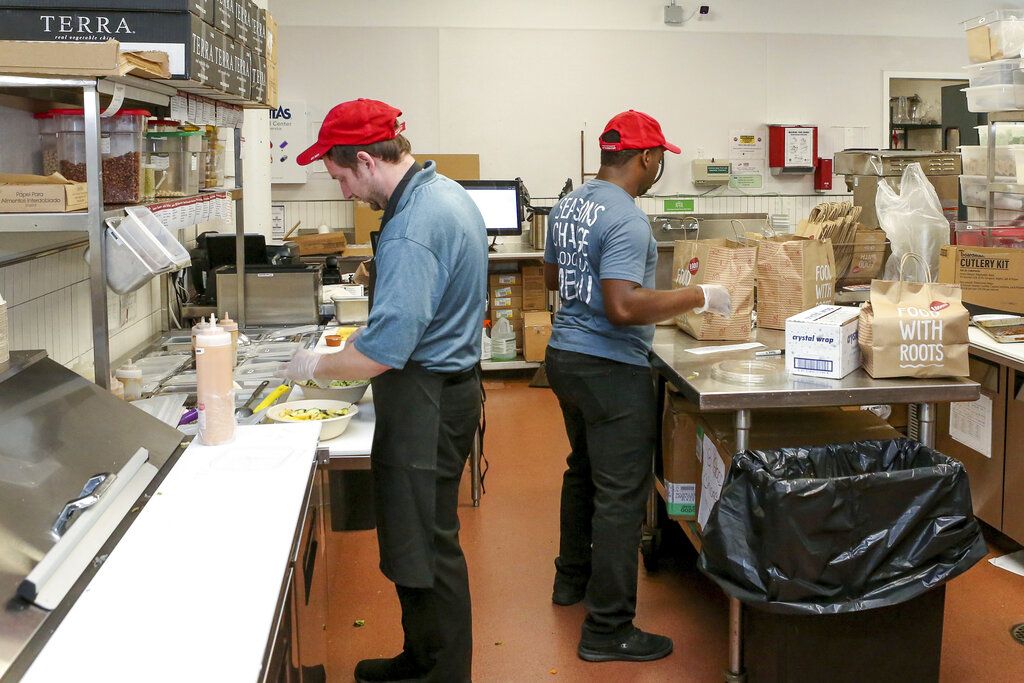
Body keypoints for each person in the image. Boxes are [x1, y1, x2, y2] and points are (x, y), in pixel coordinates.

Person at [280, 98, 488, 683]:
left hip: (429, 398)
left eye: (342, 177)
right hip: (443, 388)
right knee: (414, 539)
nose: (344, 191)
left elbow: (379, 354)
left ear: (367, 160)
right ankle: (419, 657)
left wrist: (312, 366)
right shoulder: (440, 192)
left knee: (427, 545)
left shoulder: (412, 228)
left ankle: (442, 674)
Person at [543, 109, 731, 663]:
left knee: (582, 471)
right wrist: (701, 296)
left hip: (565, 359)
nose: (661, 168)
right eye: (661, 159)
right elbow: (623, 306)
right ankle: (608, 630)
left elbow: (556, 278)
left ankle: (569, 581)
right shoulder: (626, 218)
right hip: (608, 368)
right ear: (647, 158)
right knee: (621, 496)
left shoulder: (571, 202)